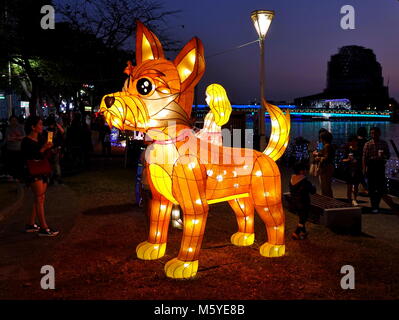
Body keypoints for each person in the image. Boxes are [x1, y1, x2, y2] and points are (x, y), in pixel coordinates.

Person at [21, 116, 59, 236]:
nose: (42, 127)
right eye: (40, 124)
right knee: (39, 198)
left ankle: (31, 224)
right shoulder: (26, 141)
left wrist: (51, 149)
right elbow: (32, 156)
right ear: (33, 127)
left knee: (40, 197)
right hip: (33, 171)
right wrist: (43, 148)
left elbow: (45, 154)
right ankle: (44, 227)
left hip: (43, 169)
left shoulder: (42, 138)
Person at [362, 127, 391, 213]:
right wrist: (364, 168)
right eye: (372, 133)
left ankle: (376, 205)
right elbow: (364, 157)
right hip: (371, 165)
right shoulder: (367, 144)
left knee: (379, 187)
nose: (373, 135)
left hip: (380, 165)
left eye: (375, 133)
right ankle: (373, 205)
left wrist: (384, 156)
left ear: (379, 133)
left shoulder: (384, 143)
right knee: (371, 187)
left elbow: (388, 155)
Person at [289, 162, 316, 240]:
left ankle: (303, 233)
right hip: (304, 203)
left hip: (294, 203)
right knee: (303, 219)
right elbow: (312, 191)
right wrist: (313, 186)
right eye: (304, 169)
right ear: (301, 171)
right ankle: (296, 233)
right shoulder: (304, 181)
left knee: (301, 218)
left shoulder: (292, 180)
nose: (305, 171)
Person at [342, 135, 363, 206]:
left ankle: (355, 199)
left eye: (355, 141)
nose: (353, 142)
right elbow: (343, 159)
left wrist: (357, 161)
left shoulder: (359, 150)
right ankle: (349, 200)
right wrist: (348, 159)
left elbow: (362, 159)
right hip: (349, 169)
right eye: (351, 141)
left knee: (356, 185)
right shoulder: (347, 149)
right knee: (349, 186)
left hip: (357, 169)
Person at [313, 130, 335, 197]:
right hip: (329, 166)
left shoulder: (326, 146)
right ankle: (329, 199)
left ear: (323, 139)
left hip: (326, 167)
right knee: (327, 185)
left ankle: (327, 200)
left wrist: (318, 158)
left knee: (324, 186)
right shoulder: (329, 146)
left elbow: (326, 157)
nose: (320, 139)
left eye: (321, 138)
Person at [5, 115, 25, 180]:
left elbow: (24, 136)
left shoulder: (21, 127)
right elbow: (8, 138)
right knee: (12, 163)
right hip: (10, 148)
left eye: (15, 120)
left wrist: (15, 138)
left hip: (19, 148)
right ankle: (13, 176)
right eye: (12, 120)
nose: (13, 122)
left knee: (19, 163)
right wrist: (17, 138)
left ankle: (19, 176)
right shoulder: (8, 128)